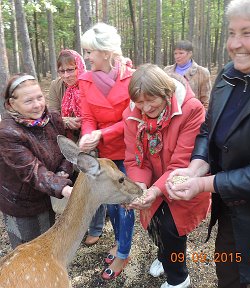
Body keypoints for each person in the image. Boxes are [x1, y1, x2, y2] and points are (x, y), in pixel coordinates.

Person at [166, 0, 250, 287]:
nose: (235, 44)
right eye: (231, 33)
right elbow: (209, 130)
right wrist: (196, 167)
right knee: (229, 275)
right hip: (233, 209)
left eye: (247, 33)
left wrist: (204, 185)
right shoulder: (229, 76)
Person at [123, 64, 211, 288]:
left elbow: (182, 161)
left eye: (150, 100)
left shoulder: (190, 109)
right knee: (153, 222)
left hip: (182, 179)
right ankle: (164, 257)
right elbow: (134, 158)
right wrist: (141, 187)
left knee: (171, 228)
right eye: (139, 102)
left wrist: (155, 190)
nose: (145, 107)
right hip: (152, 179)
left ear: (166, 92)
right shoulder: (133, 114)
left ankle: (179, 278)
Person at [78, 22, 135, 280]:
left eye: (89, 51)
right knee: (110, 202)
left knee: (126, 203)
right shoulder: (85, 80)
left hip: (129, 150)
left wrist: (103, 133)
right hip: (104, 152)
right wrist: (89, 134)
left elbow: (131, 120)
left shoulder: (131, 78)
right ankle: (119, 241)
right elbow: (87, 115)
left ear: (106, 52)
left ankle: (123, 251)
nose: (86, 57)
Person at [0, 74, 73, 249]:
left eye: (39, 97)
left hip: (46, 195)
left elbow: (67, 151)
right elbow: (32, 171)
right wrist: (64, 187)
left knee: (48, 240)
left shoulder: (53, 119)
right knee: (28, 249)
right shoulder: (8, 133)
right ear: (11, 104)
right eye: (28, 101)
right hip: (21, 203)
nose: (37, 105)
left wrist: (63, 171)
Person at [47, 49, 106, 246]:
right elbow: (51, 115)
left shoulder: (90, 82)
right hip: (67, 139)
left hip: (91, 139)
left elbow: (100, 112)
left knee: (90, 179)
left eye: (70, 70)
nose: (66, 75)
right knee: (70, 183)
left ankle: (96, 226)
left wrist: (86, 125)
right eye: (61, 71)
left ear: (79, 66)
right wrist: (65, 120)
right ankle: (76, 222)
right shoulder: (57, 86)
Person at [164, 40, 211, 110]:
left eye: (181, 53)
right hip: (171, 114)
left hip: (193, 115)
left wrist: (200, 117)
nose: (177, 56)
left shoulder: (202, 72)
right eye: (175, 53)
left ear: (190, 54)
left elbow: (206, 101)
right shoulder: (167, 71)